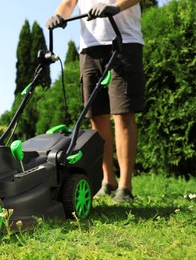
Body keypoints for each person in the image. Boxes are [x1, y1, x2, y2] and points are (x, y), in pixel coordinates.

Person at [46, 0, 145, 203]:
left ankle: (125, 186)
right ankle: (108, 181)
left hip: (123, 40)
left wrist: (116, 6)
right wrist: (59, 16)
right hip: (90, 47)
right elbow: (69, 3)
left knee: (122, 113)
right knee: (97, 117)